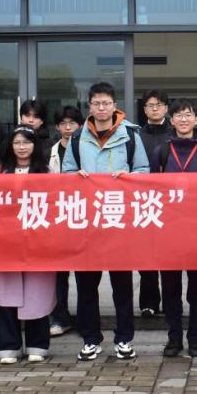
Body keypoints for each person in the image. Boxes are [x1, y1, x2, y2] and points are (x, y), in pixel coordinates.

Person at [62, 82, 149, 361]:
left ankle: (124, 339)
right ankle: (90, 339)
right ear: (90, 106)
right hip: (87, 222)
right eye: (96, 103)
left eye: (106, 103)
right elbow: (66, 172)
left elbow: (143, 170)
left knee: (122, 285)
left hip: (118, 220)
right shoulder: (78, 137)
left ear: (114, 106)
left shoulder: (131, 134)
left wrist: (129, 177)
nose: (101, 108)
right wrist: (76, 178)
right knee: (86, 285)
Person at [151, 99, 197, 358]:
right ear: (171, 120)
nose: (183, 119)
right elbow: (151, 188)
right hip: (168, 230)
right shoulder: (161, 151)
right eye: (178, 115)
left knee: (196, 288)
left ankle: (195, 337)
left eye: (188, 114)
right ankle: (174, 337)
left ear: (196, 120)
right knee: (170, 288)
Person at [0, 126, 55, 364]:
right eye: (17, 142)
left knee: (38, 293)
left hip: (39, 243)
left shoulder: (47, 172)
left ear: (35, 145)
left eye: (26, 142)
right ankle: (9, 346)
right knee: (6, 293)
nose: (22, 147)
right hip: (5, 244)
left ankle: (38, 344)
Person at [136, 90, 172, 319]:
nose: (155, 108)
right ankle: (149, 302)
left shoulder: (175, 134)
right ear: (144, 110)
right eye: (150, 105)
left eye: (159, 104)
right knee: (145, 254)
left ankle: (170, 301)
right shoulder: (136, 136)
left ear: (166, 108)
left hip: (170, 202)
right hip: (143, 201)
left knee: (169, 255)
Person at [48, 105, 83, 337]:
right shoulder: (49, 151)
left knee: (84, 272)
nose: (68, 128)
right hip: (57, 217)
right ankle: (59, 317)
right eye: (63, 123)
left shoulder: (86, 147)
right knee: (58, 273)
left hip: (82, 215)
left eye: (72, 123)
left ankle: (85, 318)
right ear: (57, 127)